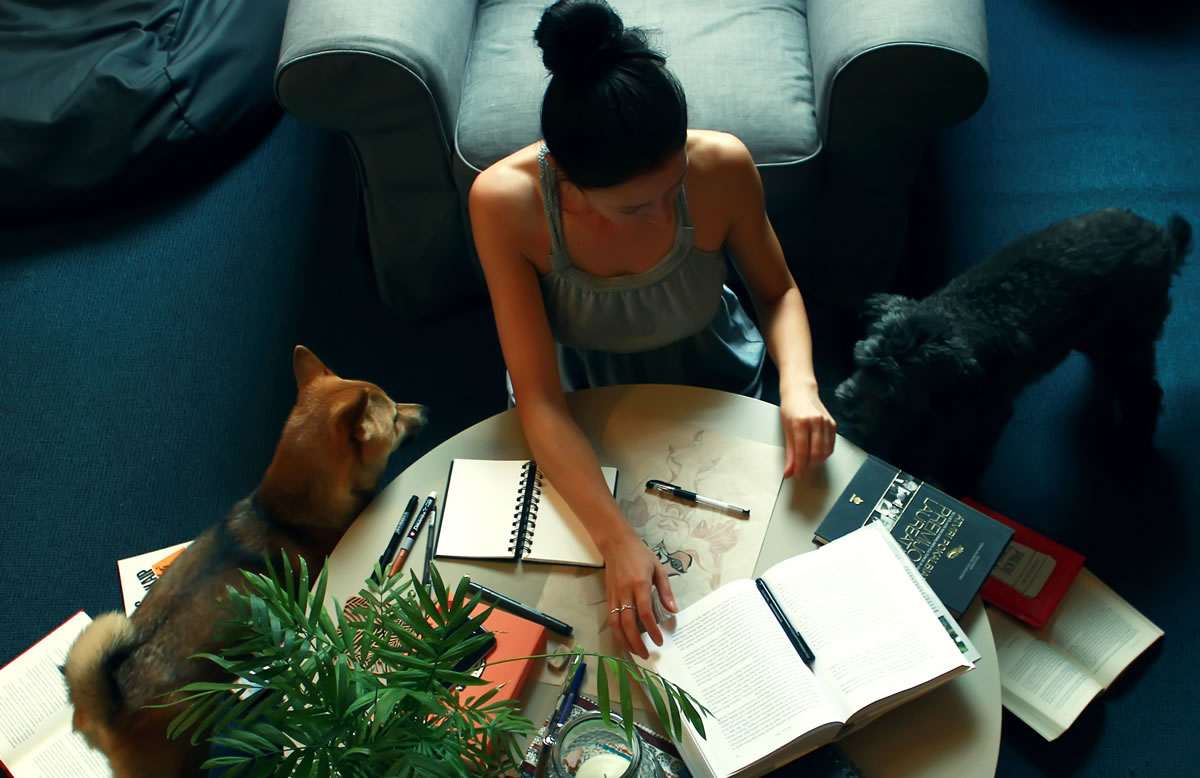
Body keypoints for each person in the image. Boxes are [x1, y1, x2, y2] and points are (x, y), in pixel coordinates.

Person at [468, 0, 836, 658]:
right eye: (638, 205)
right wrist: (617, 540)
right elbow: (540, 398)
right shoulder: (505, 203)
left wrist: (802, 386)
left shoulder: (719, 164)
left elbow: (777, 291)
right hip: (582, 413)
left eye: (674, 187)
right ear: (564, 177)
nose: (666, 210)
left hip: (718, 384)